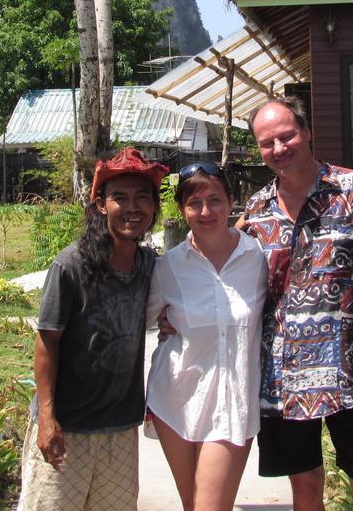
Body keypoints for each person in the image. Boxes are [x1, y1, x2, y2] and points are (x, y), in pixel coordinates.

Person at [242, 97, 353, 511]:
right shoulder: (256, 212)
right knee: (305, 487)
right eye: (268, 143)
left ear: (307, 131)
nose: (279, 148)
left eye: (287, 136)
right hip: (282, 374)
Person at [17, 147, 169, 511]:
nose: (133, 207)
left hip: (120, 428)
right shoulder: (71, 265)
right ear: (101, 205)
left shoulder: (150, 266)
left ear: (153, 208)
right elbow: (46, 344)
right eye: (120, 198)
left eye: (142, 198)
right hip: (67, 428)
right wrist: (47, 419)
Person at [145, 162, 267, 511]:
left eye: (214, 200)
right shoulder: (167, 267)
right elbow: (139, 320)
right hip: (176, 401)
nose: (205, 211)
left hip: (233, 406)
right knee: (192, 505)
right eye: (194, 203)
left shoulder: (258, 258)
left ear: (232, 202)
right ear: (182, 210)